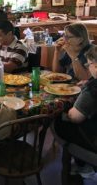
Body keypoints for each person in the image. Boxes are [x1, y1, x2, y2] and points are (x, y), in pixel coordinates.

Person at [53, 45, 97, 179]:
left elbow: (75, 117)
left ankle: (83, 165)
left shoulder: (93, 88)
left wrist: (67, 113)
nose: (88, 67)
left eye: (88, 64)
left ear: (95, 66)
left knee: (56, 121)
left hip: (93, 140)